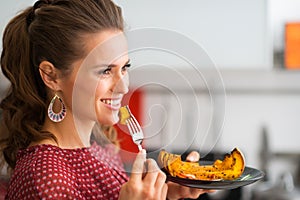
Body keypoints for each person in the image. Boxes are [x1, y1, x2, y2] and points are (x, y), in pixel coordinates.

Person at [0, 0, 212, 199]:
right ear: (51, 76)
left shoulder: (101, 152)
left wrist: (166, 192)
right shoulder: (48, 179)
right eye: (104, 71)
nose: (124, 86)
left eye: (124, 68)